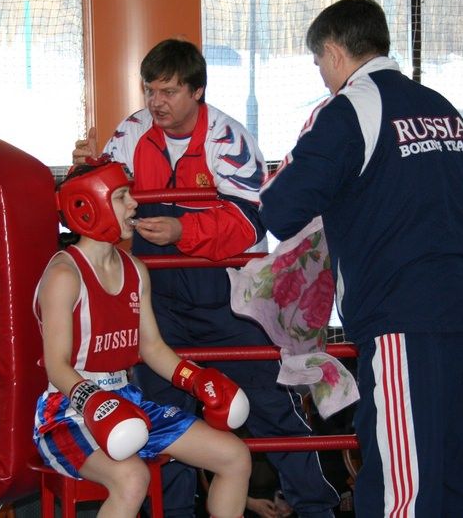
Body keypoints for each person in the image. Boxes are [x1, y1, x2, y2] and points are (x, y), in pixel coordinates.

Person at [72, 38, 340, 517]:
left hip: (229, 302)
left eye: (169, 91)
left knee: (271, 406)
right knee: (164, 416)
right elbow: (101, 198)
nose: (156, 102)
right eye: (150, 90)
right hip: (159, 305)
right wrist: (85, 167)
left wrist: (182, 230)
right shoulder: (132, 132)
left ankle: (318, 510)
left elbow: (252, 222)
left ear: (197, 91)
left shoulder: (228, 139)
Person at [258, 0, 463, 517]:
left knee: (401, 488)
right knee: (462, 480)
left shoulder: (350, 108)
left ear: (333, 52)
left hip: (402, 318)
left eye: (319, 62)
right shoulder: (442, 107)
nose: (323, 75)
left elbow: (280, 207)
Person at [32, 160, 252, 518]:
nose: (134, 204)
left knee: (234, 456)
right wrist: (94, 400)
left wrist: (195, 379)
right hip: (68, 413)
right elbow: (56, 365)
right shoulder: (64, 274)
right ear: (88, 205)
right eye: (121, 196)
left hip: (128, 401)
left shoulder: (134, 269)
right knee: (133, 478)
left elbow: (151, 348)